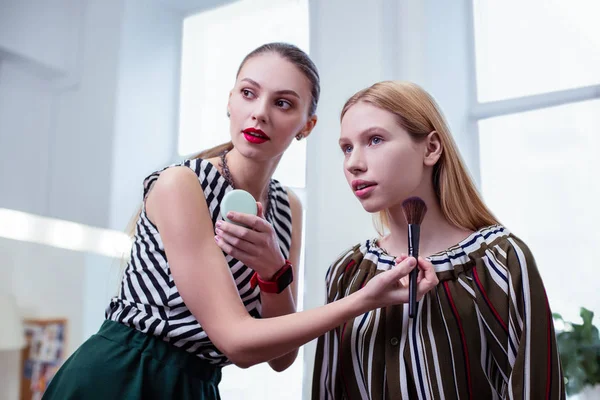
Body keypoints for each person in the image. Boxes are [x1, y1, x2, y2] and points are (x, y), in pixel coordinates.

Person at [42, 45, 438, 400]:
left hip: (198, 384)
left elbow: (281, 358)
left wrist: (272, 271)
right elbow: (237, 342)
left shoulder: (286, 207)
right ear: (230, 101)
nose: (260, 112)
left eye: (283, 103)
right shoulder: (181, 185)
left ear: (307, 126)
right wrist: (363, 300)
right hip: (121, 376)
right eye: (248, 93)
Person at [312, 81, 565, 400]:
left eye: (375, 140)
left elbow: (538, 388)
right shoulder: (346, 273)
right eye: (346, 147)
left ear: (431, 148)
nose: (353, 163)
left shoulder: (501, 261)